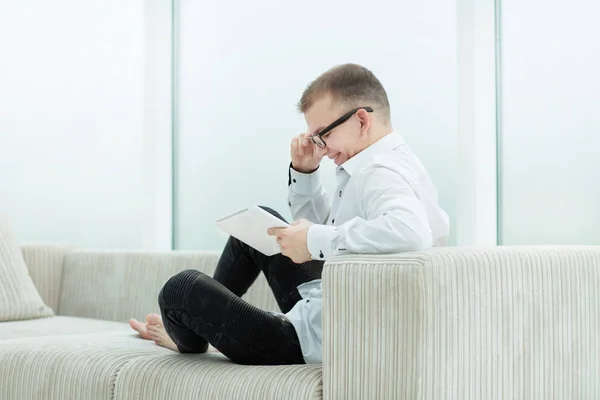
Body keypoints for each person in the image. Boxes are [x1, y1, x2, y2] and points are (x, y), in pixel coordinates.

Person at [129, 63, 449, 365]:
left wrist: (312, 239)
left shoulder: (381, 171)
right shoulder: (374, 163)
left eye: (323, 134)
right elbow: (332, 238)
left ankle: (195, 338)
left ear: (362, 120)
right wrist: (306, 172)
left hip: (315, 340)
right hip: (326, 307)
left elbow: (410, 232)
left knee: (180, 290)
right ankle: (206, 329)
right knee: (259, 227)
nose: (321, 146)